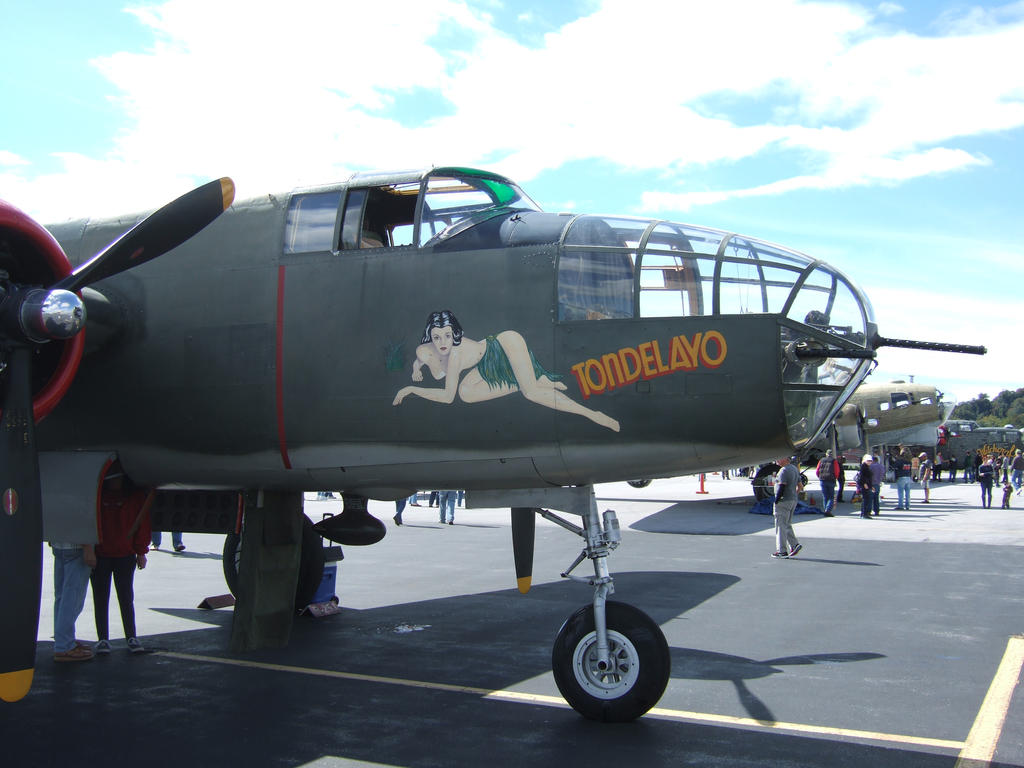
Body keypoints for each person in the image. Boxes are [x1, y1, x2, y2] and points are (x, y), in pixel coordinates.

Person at [393, 310, 620, 432]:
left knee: (530, 393)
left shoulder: (454, 355)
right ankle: (532, 379)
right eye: (436, 337)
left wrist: (411, 389)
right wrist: (415, 370)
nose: (443, 342)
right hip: (484, 365)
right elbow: (419, 361)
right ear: (429, 338)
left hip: (503, 345)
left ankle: (593, 415)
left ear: (455, 334)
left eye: (448, 336)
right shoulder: (423, 351)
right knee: (467, 393)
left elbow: (446, 397)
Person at [91, 470, 154, 654]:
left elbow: (142, 526)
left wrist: (141, 551)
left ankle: (117, 637)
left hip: (112, 554)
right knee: (117, 597)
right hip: (114, 554)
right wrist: (141, 551)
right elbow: (142, 525)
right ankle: (115, 638)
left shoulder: (99, 497)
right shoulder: (134, 498)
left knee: (119, 597)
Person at [50, 540, 97, 662]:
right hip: (77, 547)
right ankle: (64, 645)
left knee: (61, 597)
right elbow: (81, 521)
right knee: (72, 597)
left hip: (59, 544)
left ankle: (63, 639)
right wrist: (87, 547)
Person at [770, 456, 802, 559]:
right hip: (793, 500)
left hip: (783, 501)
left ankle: (782, 551)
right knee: (787, 523)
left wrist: (776, 500)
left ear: (785, 459)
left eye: (779, 458)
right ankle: (794, 544)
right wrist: (794, 495)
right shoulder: (794, 469)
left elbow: (782, 486)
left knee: (780, 526)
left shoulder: (783, 471)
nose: (776, 460)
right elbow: (800, 486)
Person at [815, 450, 839, 517]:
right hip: (831, 480)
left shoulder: (821, 460)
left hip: (822, 480)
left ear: (826, 454)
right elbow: (837, 471)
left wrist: (820, 477)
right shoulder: (834, 461)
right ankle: (827, 510)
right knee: (831, 497)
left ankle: (826, 509)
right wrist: (835, 478)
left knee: (825, 496)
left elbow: (817, 470)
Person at [857, 453, 874, 519]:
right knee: (865, 500)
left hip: (867, 485)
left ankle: (864, 513)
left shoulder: (866, 467)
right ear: (865, 461)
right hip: (864, 486)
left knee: (866, 500)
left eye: (870, 461)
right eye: (868, 461)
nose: (869, 462)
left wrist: (871, 486)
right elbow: (862, 477)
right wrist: (864, 484)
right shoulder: (863, 467)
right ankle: (864, 514)